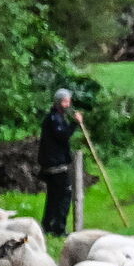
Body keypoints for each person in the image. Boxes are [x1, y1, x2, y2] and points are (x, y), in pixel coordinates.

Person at [39, 89, 79, 237]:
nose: (68, 104)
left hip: (53, 163)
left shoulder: (57, 117)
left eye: (68, 101)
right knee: (64, 195)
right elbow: (63, 136)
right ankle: (59, 228)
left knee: (54, 196)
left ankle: (47, 225)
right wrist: (75, 124)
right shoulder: (54, 119)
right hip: (55, 165)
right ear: (59, 102)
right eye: (65, 101)